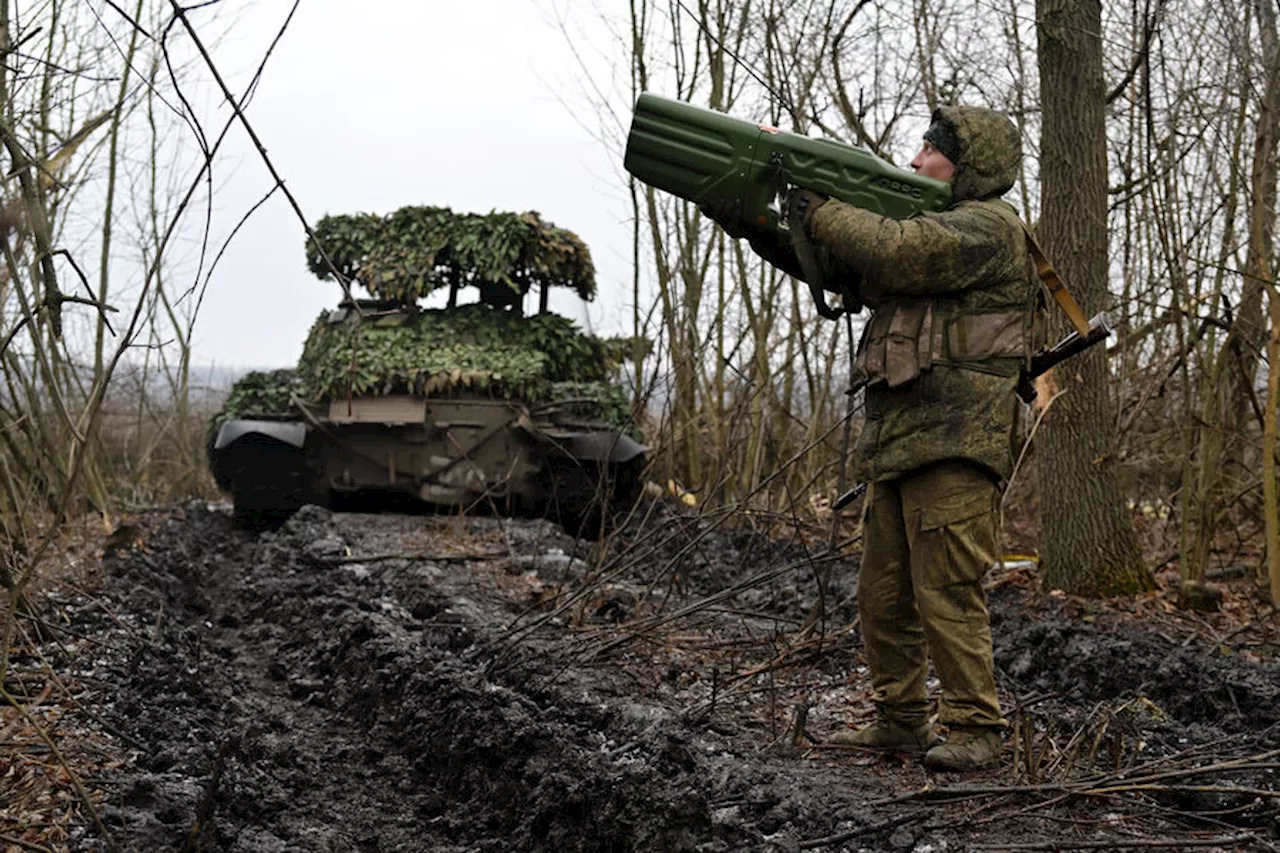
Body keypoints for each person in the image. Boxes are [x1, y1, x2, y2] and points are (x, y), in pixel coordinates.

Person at [714, 106, 1034, 771]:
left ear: (967, 166)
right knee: (882, 595)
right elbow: (837, 261)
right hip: (902, 441)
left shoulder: (989, 229)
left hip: (956, 441)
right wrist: (749, 216)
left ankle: (976, 728)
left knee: (946, 590)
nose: (916, 159)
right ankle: (902, 718)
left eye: (931, 149)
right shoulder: (929, 229)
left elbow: (893, 249)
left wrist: (820, 202)